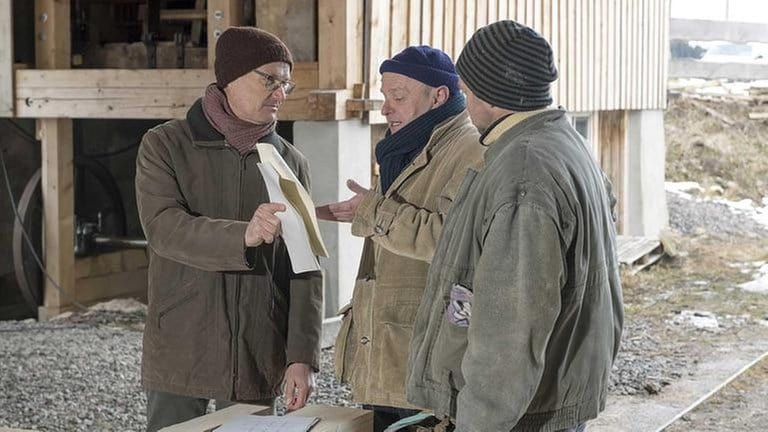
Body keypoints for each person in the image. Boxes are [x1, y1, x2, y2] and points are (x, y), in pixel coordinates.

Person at [405, 21, 624, 432]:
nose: (465, 103)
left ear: (489, 94)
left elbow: (510, 329)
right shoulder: (562, 142)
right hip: (545, 395)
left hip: (523, 414)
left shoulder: (523, 171)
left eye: (467, 91)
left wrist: (479, 422)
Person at [135, 27, 322, 431]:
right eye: (268, 79)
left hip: (257, 345)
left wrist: (302, 355)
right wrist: (243, 235)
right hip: (182, 341)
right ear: (230, 77)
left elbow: (305, 268)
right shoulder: (164, 145)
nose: (280, 92)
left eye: (285, 82)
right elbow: (164, 227)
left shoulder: (291, 162)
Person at [317, 46, 485, 432]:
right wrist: (362, 211)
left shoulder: (469, 151)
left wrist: (372, 211)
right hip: (389, 352)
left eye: (398, 96)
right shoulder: (408, 146)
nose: (385, 108)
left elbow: (450, 239)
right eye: (384, 96)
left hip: (424, 360)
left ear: (439, 96)